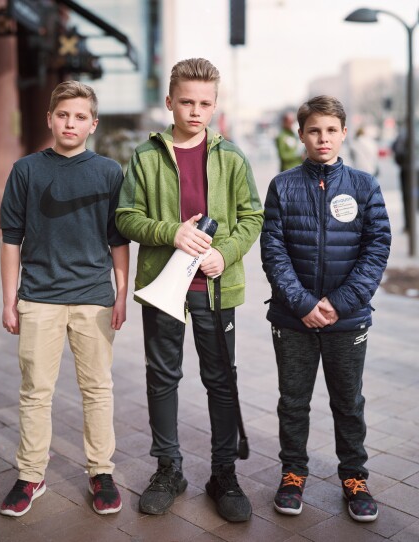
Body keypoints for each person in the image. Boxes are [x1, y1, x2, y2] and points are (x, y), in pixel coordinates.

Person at [116, 58, 263, 523]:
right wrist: (170, 232)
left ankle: (223, 474)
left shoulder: (233, 157)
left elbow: (251, 216)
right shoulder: (144, 156)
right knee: (163, 378)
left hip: (217, 290)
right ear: (169, 102)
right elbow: (125, 217)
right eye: (187, 102)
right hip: (164, 288)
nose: (196, 111)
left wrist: (228, 252)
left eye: (205, 103)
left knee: (221, 380)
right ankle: (169, 469)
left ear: (215, 105)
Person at [0, 80, 130, 517]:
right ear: (49, 119)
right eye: (62, 115)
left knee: (98, 389)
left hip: (94, 296)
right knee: (35, 391)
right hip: (39, 298)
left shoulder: (111, 172)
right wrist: (8, 300)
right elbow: (11, 240)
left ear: (92, 124)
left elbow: (117, 240)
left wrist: (121, 295)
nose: (70, 123)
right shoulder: (26, 171)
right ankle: (30, 474)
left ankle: (101, 471)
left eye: (79, 117)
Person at [261, 95, 390, 522]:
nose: (323, 138)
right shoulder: (283, 186)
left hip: (347, 318)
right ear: (300, 134)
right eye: (314, 130)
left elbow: (376, 249)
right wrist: (301, 304)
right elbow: (273, 250)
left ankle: (354, 477)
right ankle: (293, 474)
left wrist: (336, 303)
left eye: (331, 130)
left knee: (348, 402)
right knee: (293, 401)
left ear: (344, 133)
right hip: (292, 319)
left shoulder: (364, 185)